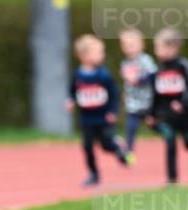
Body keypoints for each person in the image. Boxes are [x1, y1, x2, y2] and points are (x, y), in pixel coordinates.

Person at [66, 34, 129, 186]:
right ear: (83, 56)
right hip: (87, 119)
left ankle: (118, 148)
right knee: (87, 147)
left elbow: (113, 94)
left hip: (103, 118)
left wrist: (112, 112)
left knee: (106, 145)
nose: (102, 55)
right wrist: (71, 100)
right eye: (98, 52)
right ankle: (93, 174)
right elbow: (73, 90)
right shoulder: (78, 75)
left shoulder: (103, 75)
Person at [148, 28, 188, 185]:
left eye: (159, 47)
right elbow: (155, 94)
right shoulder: (158, 70)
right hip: (166, 114)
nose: (156, 51)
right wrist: (151, 114)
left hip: (184, 114)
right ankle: (172, 178)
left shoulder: (184, 66)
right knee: (170, 142)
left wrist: (182, 103)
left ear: (173, 47)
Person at [119, 28, 156, 159]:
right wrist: (125, 94)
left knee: (155, 124)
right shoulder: (125, 63)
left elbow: (153, 75)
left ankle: (178, 134)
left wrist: (140, 80)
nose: (129, 48)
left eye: (132, 45)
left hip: (148, 101)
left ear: (141, 45)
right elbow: (127, 83)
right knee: (131, 126)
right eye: (126, 45)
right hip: (133, 103)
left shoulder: (145, 60)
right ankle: (129, 151)